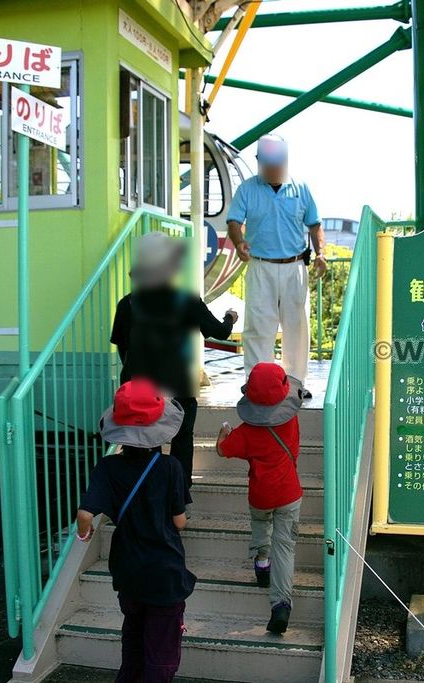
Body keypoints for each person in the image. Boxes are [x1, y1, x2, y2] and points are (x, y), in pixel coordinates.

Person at [76, 379, 196, 682]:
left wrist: (83, 533)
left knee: (133, 637)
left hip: (127, 568)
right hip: (164, 571)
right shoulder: (171, 468)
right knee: (162, 648)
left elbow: (85, 513)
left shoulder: (107, 467)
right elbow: (179, 522)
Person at [111, 231, 238, 504]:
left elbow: (123, 347)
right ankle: (179, 496)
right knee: (181, 439)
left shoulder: (128, 303)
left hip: (139, 387)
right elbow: (219, 332)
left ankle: (147, 494)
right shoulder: (186, 301)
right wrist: (230, 317)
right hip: (177, 384)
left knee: (145, 442)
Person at [226, 134, 325, 397]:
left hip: (294, 267)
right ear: (259, 162)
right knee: (258, 326)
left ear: (286, 161)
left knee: (296, 326)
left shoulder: (301, 188)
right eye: (267, 165)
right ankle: (256, 383)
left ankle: (294, 384)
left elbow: (315, 225)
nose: (272, 170)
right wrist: (239, 243)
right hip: (260, 266)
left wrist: (321, 254)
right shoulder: (247, 188)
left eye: (277, 165)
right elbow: (234, 222)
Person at [215, 362, 304, 634]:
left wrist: (224, 432)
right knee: (285, 547)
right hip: (289, 492)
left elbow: (222, 450)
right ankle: (280, 605)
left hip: (260, 495)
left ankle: (262, 564)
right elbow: (296, 452)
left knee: (261, 526)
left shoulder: (246, 431)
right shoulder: (291, 421)